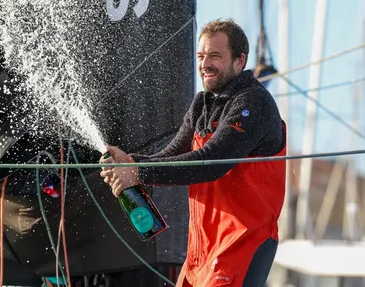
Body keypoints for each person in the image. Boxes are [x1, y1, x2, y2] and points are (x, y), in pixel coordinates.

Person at [100, 18, 287, 287]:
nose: (205, 64)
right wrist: (129, 162)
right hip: (202, 250)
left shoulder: (252, 102)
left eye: (215, 56)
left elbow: (209, 163)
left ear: (239, 60)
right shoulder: (202, 103)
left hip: (240, 244)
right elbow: (173, 152)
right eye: (201, 56)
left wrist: (137, 173)